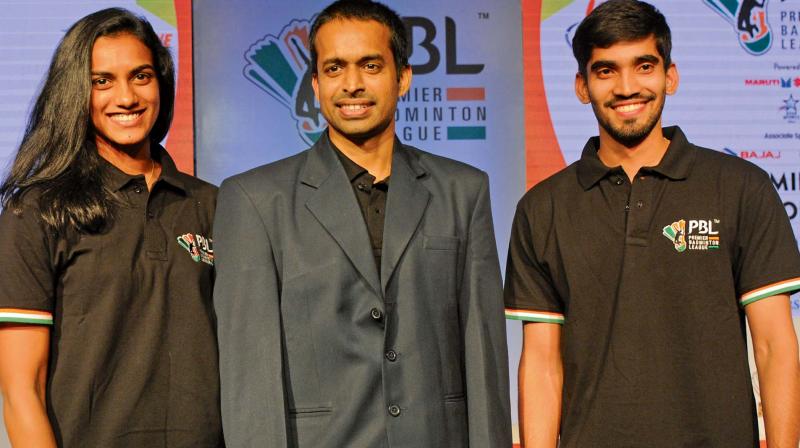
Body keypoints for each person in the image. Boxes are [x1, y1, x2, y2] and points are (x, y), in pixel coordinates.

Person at [212, 0, 512, 446]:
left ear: (403, 77)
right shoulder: (254, 199)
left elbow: (484, 359)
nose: (352, 85)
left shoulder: (464, 191)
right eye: (334, 69)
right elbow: (249, 380)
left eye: (370, 65)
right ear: (315, 83)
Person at [504, 1, 800, 446]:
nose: (627, 87)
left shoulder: (742, 188)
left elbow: (775, 347)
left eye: (644, 66)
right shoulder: (541, 209)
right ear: (582, 86)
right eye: (606, 71)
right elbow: (542, 363)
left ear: (670, 76)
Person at [0, 8, 222, 447]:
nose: (126, 97)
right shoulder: (38, 211)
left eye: (141, 76)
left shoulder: (213, 204)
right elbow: (21, 390)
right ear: (75, 91)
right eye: (102, 81)